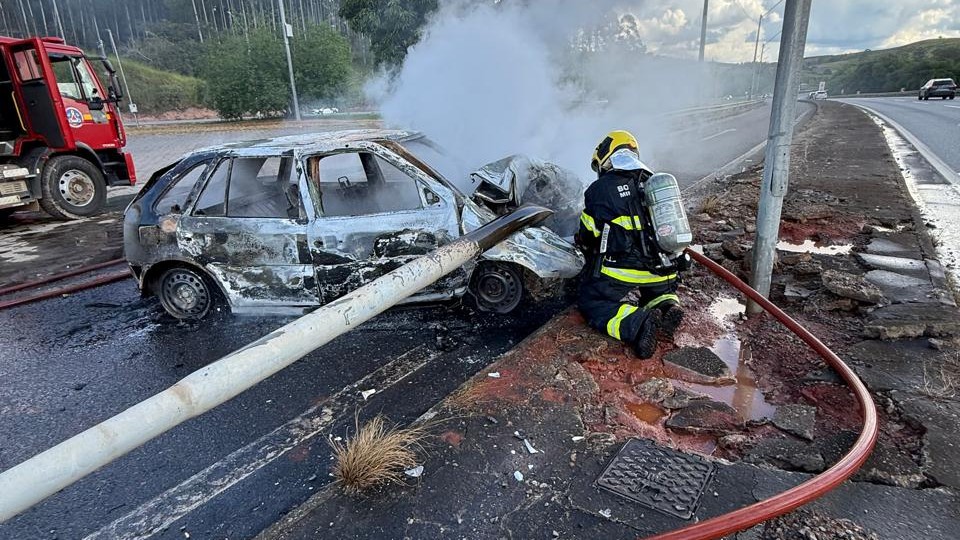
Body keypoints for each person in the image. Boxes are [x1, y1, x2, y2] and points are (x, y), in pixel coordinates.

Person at [576, 130, 688, 359]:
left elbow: (589, 235)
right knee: (657, 291)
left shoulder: (600, 189)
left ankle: (637, 324)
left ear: (606, 157)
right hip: (664, 269)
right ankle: (667, 305)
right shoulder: (654, 182)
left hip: (623, 272)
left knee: (592, 301)